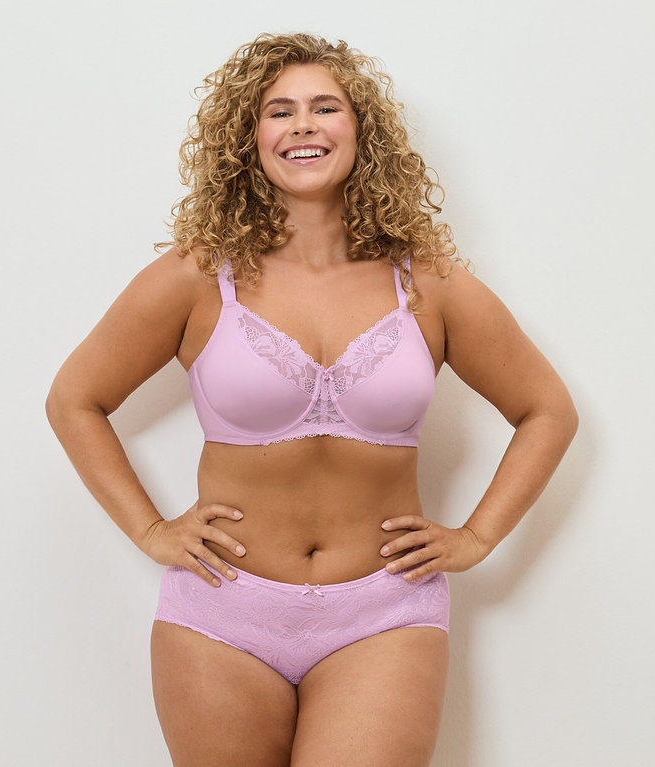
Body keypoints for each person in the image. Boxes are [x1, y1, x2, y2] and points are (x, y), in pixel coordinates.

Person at [46, 32, 578, 767]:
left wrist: (477, 537)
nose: (302, 125)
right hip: (221, 614)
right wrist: (148, 529)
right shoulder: (199, 275)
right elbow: (75, 397)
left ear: (361, 131)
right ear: (249, 138)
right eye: (278, 111)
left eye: (325, 107)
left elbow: (547, 410)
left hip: (384, 613)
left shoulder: (429, 284)